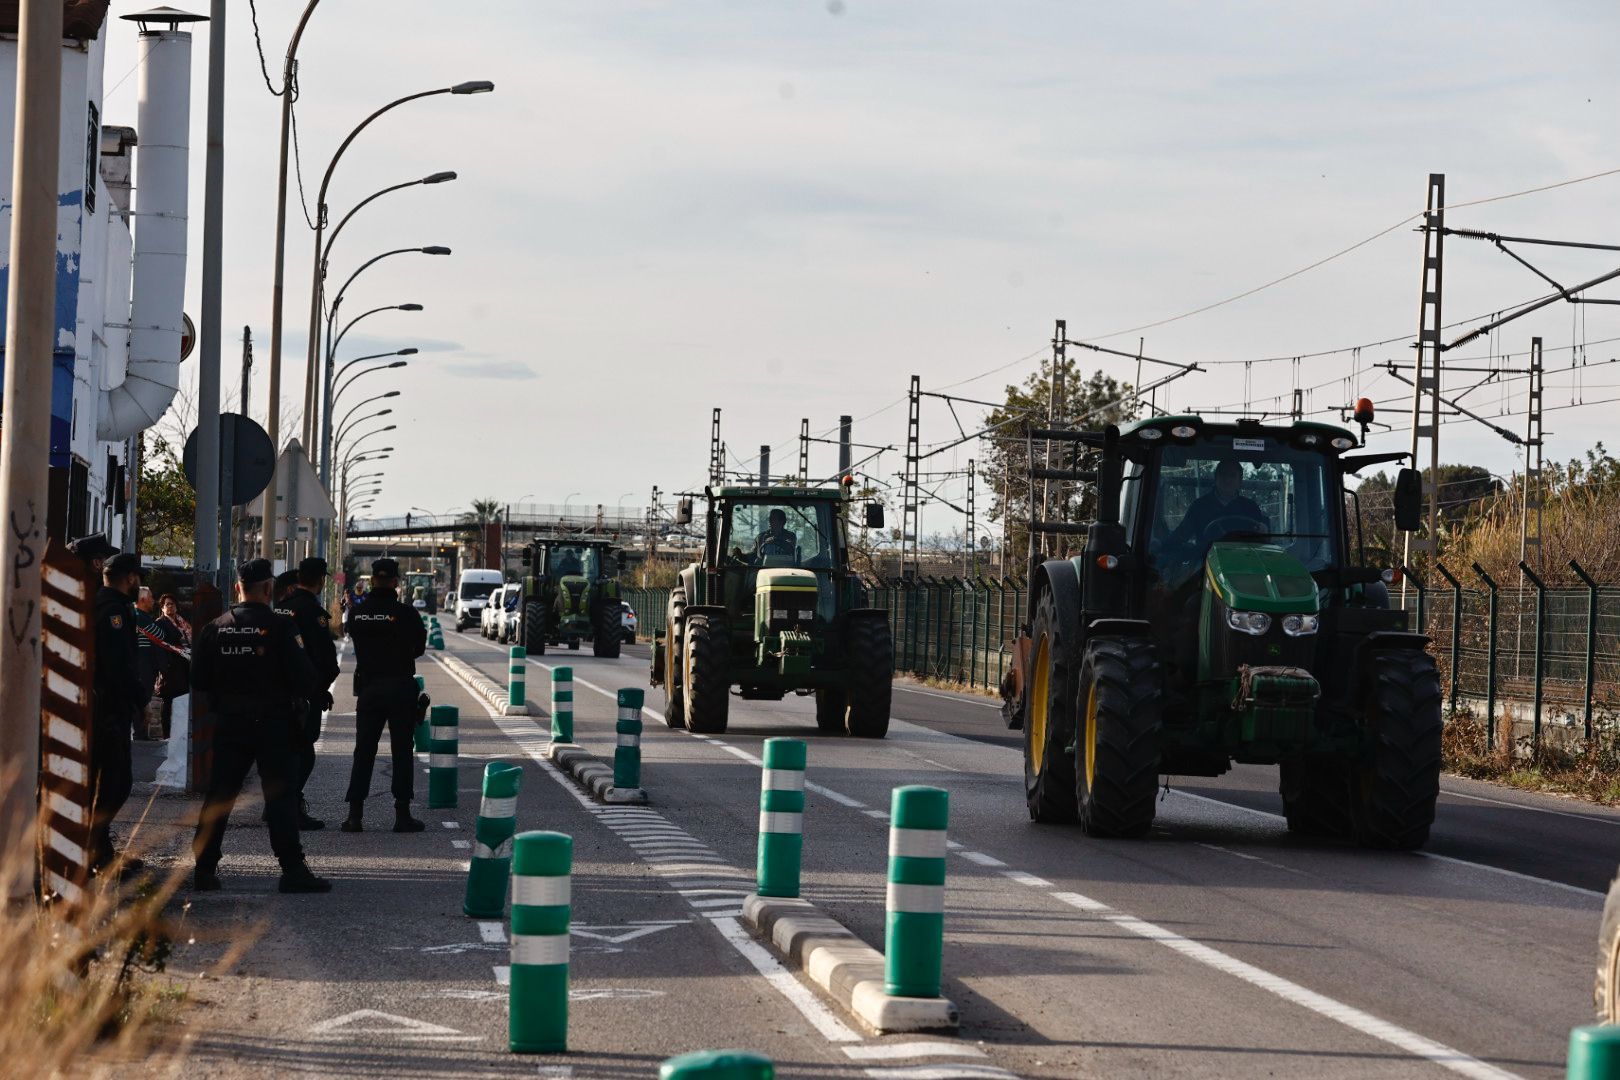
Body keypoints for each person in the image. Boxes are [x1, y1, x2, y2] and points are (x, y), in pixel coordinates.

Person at [190, 559, 331, 894]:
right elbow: (306, 677)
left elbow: (197, 678)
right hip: (274, 725)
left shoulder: (216, 627)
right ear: (269, 589)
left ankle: (204, 869)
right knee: (280, 797)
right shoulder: (281, 627)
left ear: (238, 587)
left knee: (220, 796)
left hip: (230, 724)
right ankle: (292, 870)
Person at [341, 558, 428, 833]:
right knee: (402, 751)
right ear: (395, 582)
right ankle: (402, 815)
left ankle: (355, 815)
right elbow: (419, 648)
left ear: (371, 580)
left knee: (363, 751)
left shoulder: (358, 613)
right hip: (400, 686)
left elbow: (354, 639)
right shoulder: (408, 614)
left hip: (369, 688)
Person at [83, 542, 146, 872]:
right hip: (109, 707)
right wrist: (140, 696)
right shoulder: (115, 611)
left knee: (107, 780)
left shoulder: (99, 602)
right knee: (115, 781)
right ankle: (98, 851)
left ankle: (100, 848)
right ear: (130, 578)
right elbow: (118, 663)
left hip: (102, 705)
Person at [277, 557, 340, 830]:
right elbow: (325, 659)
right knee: (304, 751)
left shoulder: (281, 609)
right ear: (321, 580)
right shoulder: (313, 612)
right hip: (304, 694)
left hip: (277, 693)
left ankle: (277, 805)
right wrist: (321, 690)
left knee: (282, 750)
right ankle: (289, 807)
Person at [1165, 459, 1270, 556]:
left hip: (1244, 562)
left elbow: (1263, 542)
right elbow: (1181, 535)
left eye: (1232, 475)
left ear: (1240, 480)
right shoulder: (1199, 506)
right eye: (1223, 474)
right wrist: (1161, 546)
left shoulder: (1250, 507)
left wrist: (1264, 532)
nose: (1227, 480)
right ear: (1216, 478)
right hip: (1206, 562)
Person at [152, 593, 190, 739]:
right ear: (162, 608)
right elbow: (159, 646)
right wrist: (164, 668)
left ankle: (180, 734)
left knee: (182, 701)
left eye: (172, 603)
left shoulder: (182, 623)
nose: (170, 606)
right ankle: (167, 735)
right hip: (170, 668)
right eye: (167, 604)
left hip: (184, 667)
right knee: (168, 703)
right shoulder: (160, 623)